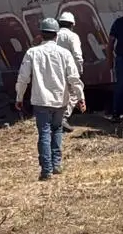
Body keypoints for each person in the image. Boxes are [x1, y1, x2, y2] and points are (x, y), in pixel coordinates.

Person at [14, 18, 86, 181]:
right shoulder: (65, 53)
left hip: (40, 101)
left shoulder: (32, 52)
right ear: (56, 35)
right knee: (57, 129)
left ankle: (46, 170)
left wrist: (19, 97)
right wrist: (80, 97)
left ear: (41, 34)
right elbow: (74, 78)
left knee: (44, 133)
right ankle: (56, 164)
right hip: (61, 100)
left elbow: (23, 78)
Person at [55, 11, 85, 132]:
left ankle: (55, 118)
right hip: (69, 69)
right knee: (74, 93)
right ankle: (63, 118)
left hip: (54, 69)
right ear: (72, 24)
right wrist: (79, 69)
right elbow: (77, 55)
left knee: (59, 94)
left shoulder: (54, 35)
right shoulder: (73, 36)